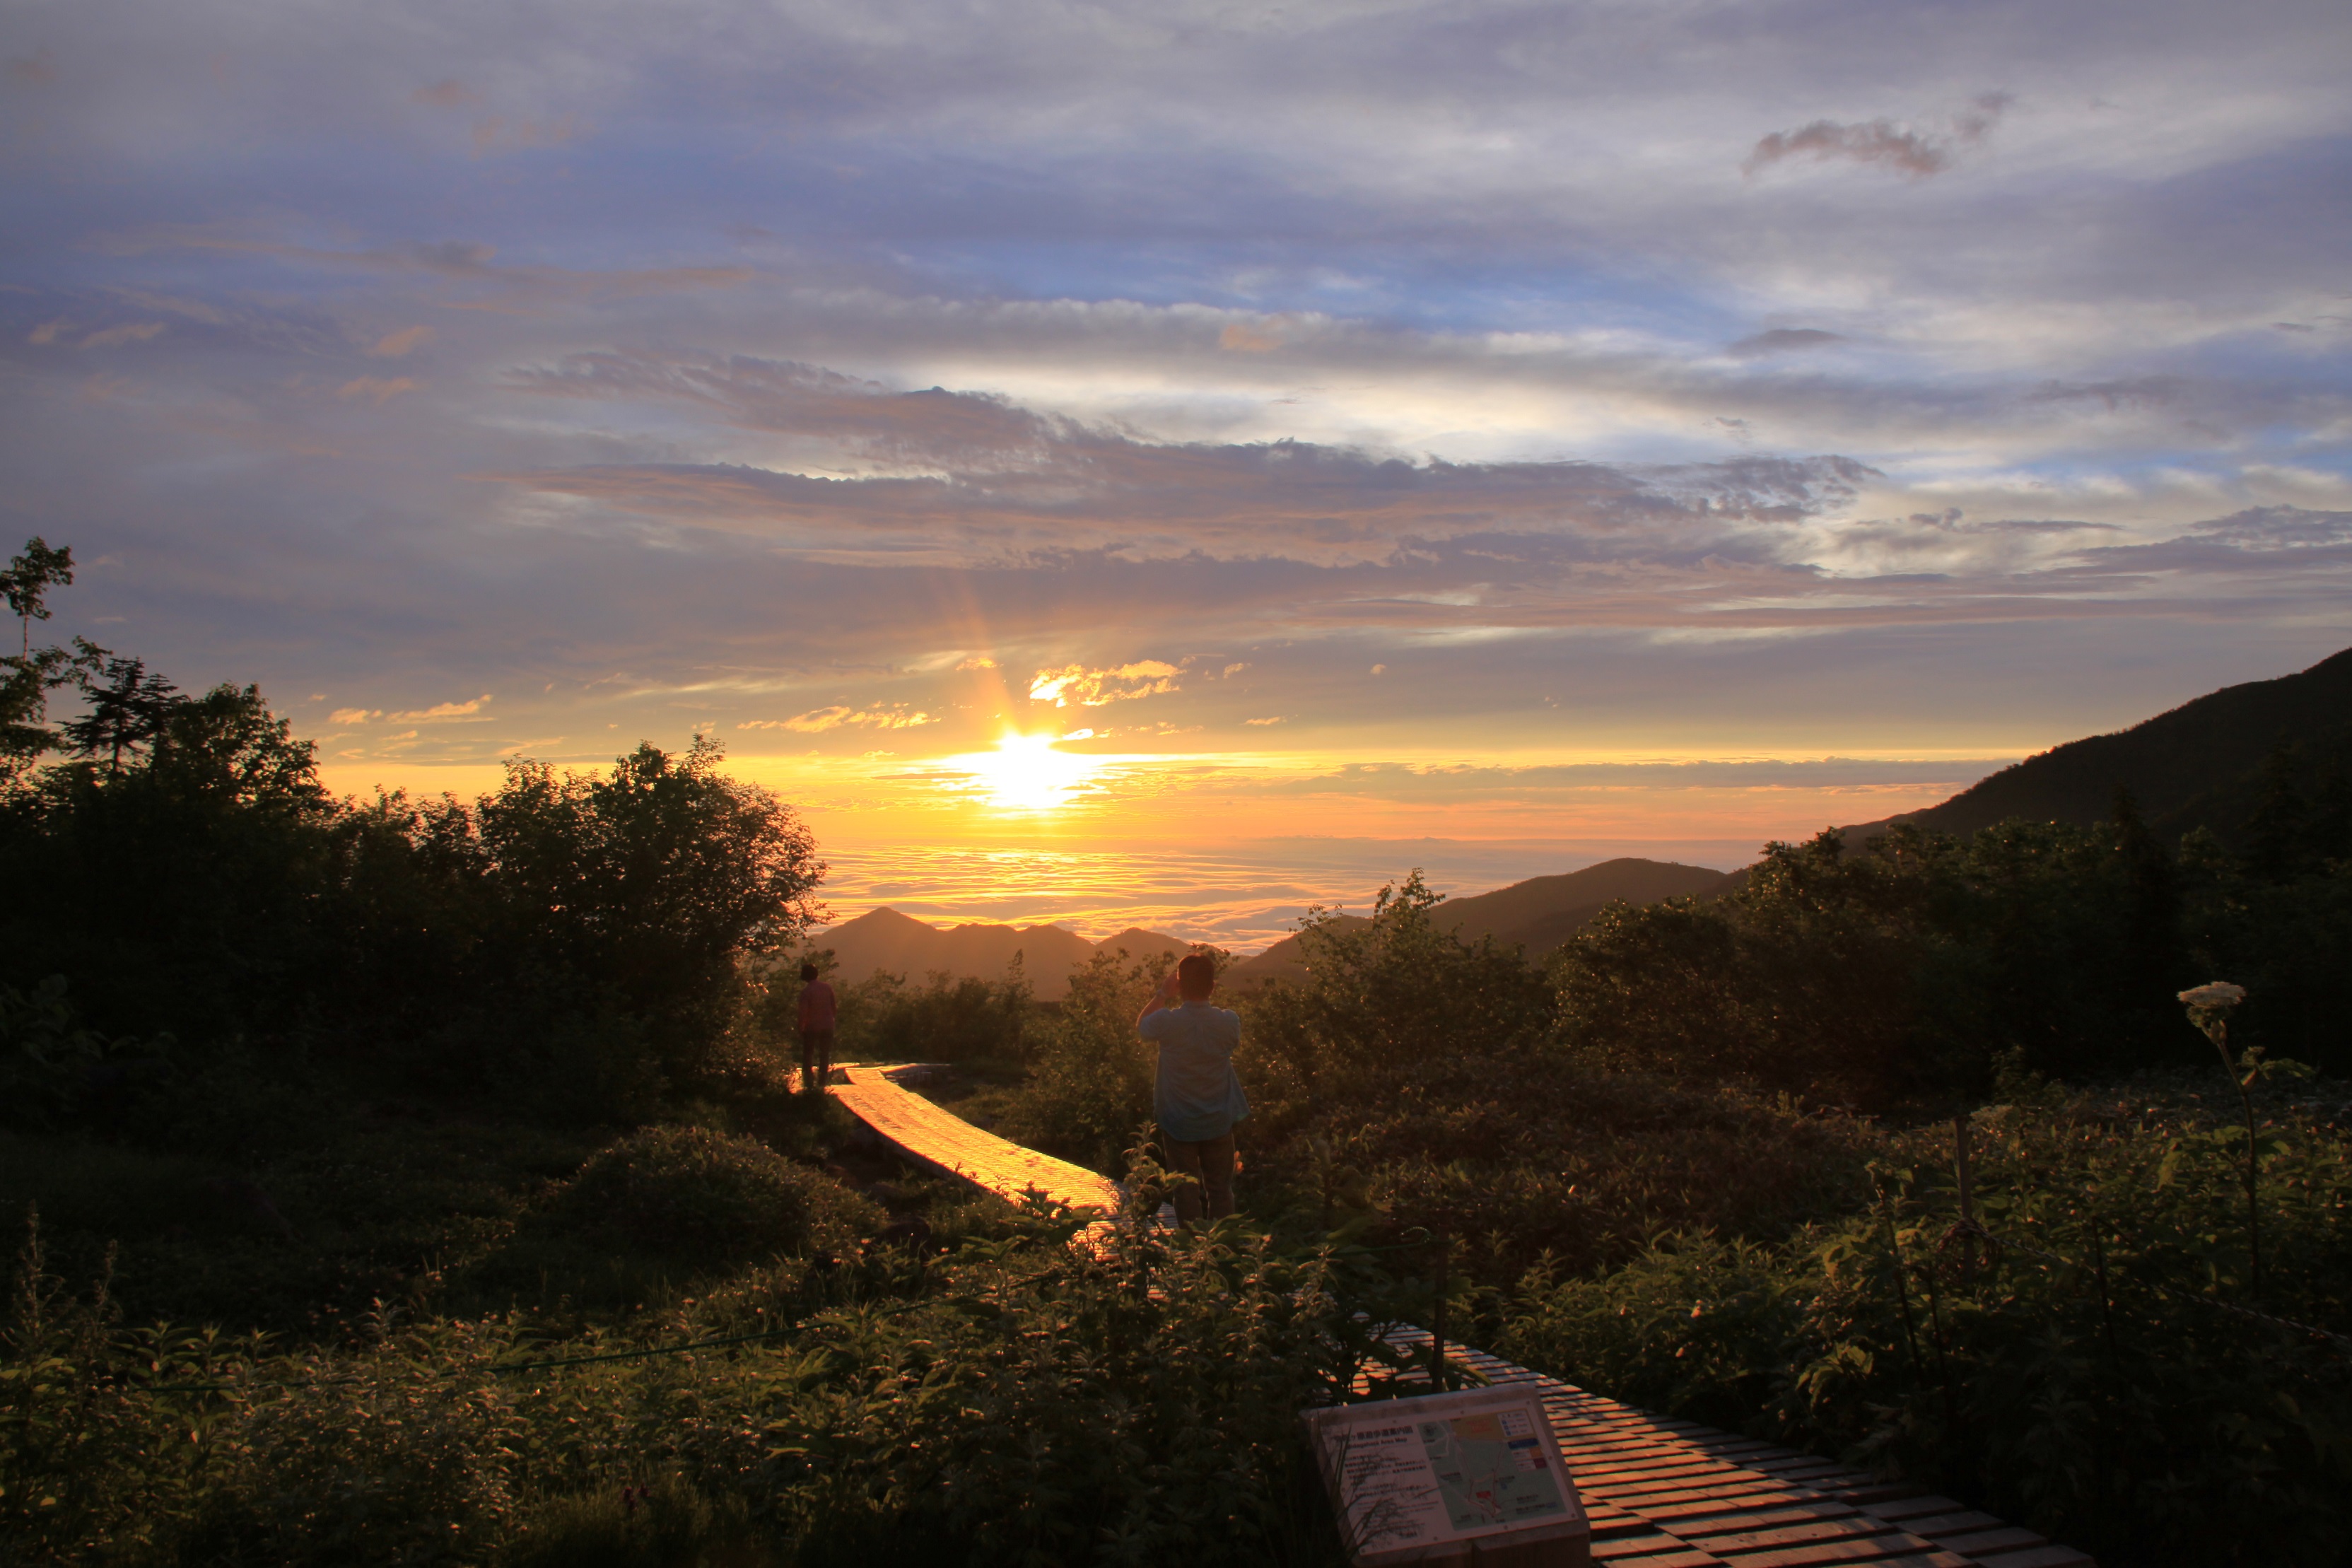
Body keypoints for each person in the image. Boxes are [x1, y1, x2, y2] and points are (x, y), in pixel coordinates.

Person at [1136, 952, 1248, 1224]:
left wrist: (1163, 993)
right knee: (1221, 1189)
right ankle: (1223, 1250)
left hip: (1178, 1121)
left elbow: (1141, 1028)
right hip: (1218, 1120)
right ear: (1213, 986)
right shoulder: (1228, 1022)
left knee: (1185, 1192)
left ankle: (1192, 1251)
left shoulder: (1167, 1022)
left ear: (1181, 986)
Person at [795, 961, 836, 1094]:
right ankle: (822, 1082)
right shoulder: (827, 987)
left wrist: (800, 1027)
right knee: (824, 1055)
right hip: (828, 1025)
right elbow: (833, 1007)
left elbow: (803, 1012)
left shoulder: (806, 992)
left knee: (808, 1054)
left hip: (812, 1027)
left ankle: (809, 1083)